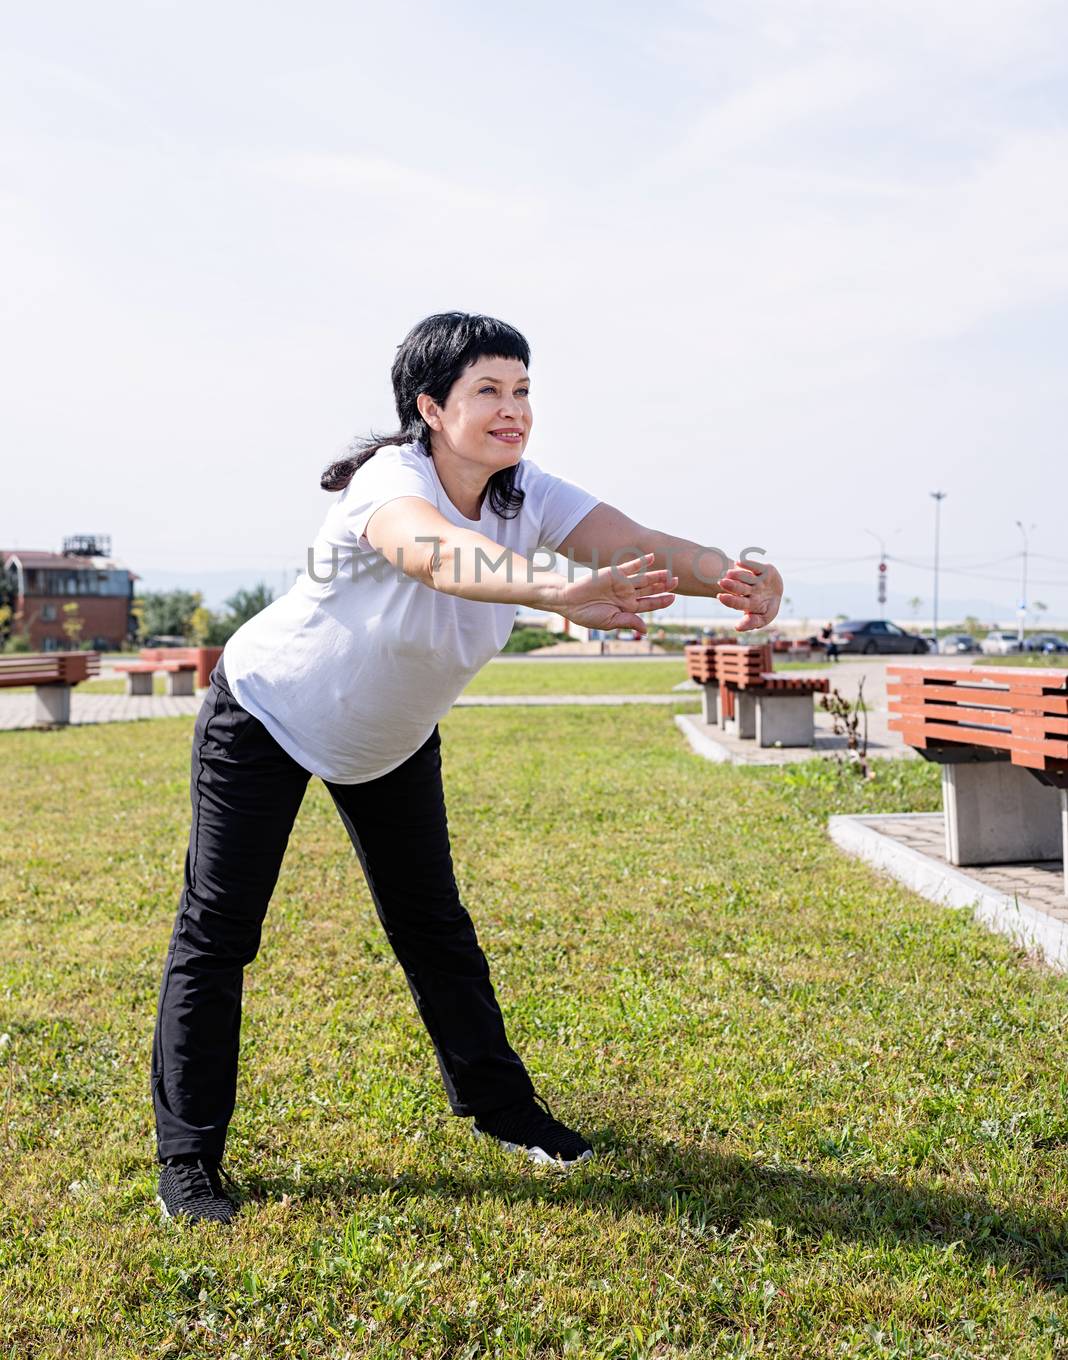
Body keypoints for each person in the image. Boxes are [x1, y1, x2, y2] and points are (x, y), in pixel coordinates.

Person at [152, 311, 783, 1224]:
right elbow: (438, 556)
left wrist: (736, 573)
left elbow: (645, 547)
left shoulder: (531, 496)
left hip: (390, 738)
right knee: (220, 933)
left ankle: (503, 1111)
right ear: (430, 408)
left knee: (434, 927)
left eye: (522, 389)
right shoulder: (390, 482)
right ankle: (189, 1162)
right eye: (487, 389)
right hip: (268, 712)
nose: (512, 408)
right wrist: (556, 592)